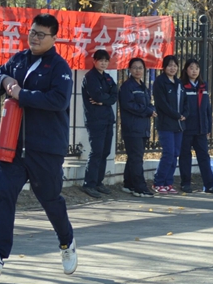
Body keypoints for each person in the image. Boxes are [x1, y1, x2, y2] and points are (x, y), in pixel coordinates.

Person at [0, 13, 77, 277]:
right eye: (32, 32)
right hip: (13, 146)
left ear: (54, 38)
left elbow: (58, 101)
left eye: (41, 34)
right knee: (4, 193)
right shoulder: (18, 60)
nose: (35, 38)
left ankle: (67, 242)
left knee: (50, 200)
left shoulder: (59, 68)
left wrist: (21, 94)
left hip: (46, 148)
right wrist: (5, 81)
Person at [178, 59, 213, 194]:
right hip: (186, 128)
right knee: (185, 156)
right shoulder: (182, 86)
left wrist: (208, 127)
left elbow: (207, 108)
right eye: (191, 68)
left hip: (201, 128)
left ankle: (209, 185)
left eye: (197, 68)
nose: (194, 71)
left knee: (204, 157)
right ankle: (185, 183)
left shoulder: (203, 86)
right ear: (186, 70)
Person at [80, 49, 117, 198]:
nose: (103, 63)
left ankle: (98, 182)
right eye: (100, 60)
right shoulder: (90, 77)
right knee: (96, 152)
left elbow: (114, 96)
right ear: (94, 61)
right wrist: (104, 99)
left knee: (105, 152)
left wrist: (104, 101)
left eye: (106, 61)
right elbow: (97, 96)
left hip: (107, 119)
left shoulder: (107, 78)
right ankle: (89, 184)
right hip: (95, 120)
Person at [119, 57, 156, 198]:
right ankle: (140, 187)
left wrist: (151, 109)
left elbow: (149, 103)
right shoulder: (127, 86)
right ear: (129, 69)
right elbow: (129, 106)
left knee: (134, 157)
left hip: (143, 127)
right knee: (136, 158)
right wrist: (147, 111)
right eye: (134, 68)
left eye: (140, 68)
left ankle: (128, 184)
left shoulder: (142, 86)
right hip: (132, 128)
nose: (137, 70)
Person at [153, 55, 188, 194]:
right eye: (169, 65)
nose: (172, 68)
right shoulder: (160, 82)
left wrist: (185, 114)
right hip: (166, 124)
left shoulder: (179, 83)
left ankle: (168, 182)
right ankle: (158, 182)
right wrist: (177, 115)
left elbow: (185, 102)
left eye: (175, 65)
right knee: (168, 153)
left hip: (179, 125)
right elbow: (162, 104)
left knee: (175, 154)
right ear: (164, 67)